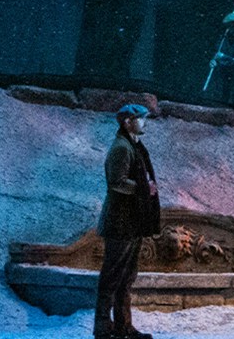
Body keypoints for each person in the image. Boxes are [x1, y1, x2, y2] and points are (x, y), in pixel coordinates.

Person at [95, 104, 160, 339]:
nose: (145, 122)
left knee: (126, 278)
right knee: (112, 277)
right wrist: (145, 188)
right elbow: (116, 182)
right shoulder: (122, 148)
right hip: (120, 222)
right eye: (140, 118)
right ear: (127, 122)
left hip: (131, 222)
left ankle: (124, 327)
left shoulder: (134, 146)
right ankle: (103, 328)